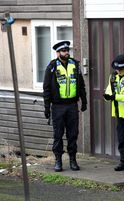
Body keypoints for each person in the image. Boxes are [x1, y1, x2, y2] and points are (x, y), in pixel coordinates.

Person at [43, 41, 87, 172]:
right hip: (57, 106)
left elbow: (81, 85)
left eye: (67, 50)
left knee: (73, 134)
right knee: (58, 134)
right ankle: (58, 161)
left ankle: (73, 160)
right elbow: (46, 89)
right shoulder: (51, 67)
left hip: (72, 105)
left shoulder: (75, 64)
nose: (67, 53)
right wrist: (47, 107)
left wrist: (84, 101)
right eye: (63, 51)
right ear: (58, 53)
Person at [103, 54, 124, 172]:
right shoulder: (113, 77)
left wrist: (115, 96)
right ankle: (123, 162)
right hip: (118, 113)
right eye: (117, 69)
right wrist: (107, 97)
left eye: (121, 69)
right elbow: (109, 90)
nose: (118, 71)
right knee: (122, 139)